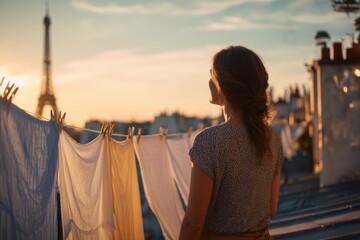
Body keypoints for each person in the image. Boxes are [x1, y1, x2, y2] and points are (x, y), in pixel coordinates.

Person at [179, 46, 284, 240]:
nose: (209, 81)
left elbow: (193, 224)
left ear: (223, 86)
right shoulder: (273, 137)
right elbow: (272, 208)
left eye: (212, 75)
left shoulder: (209, 141)